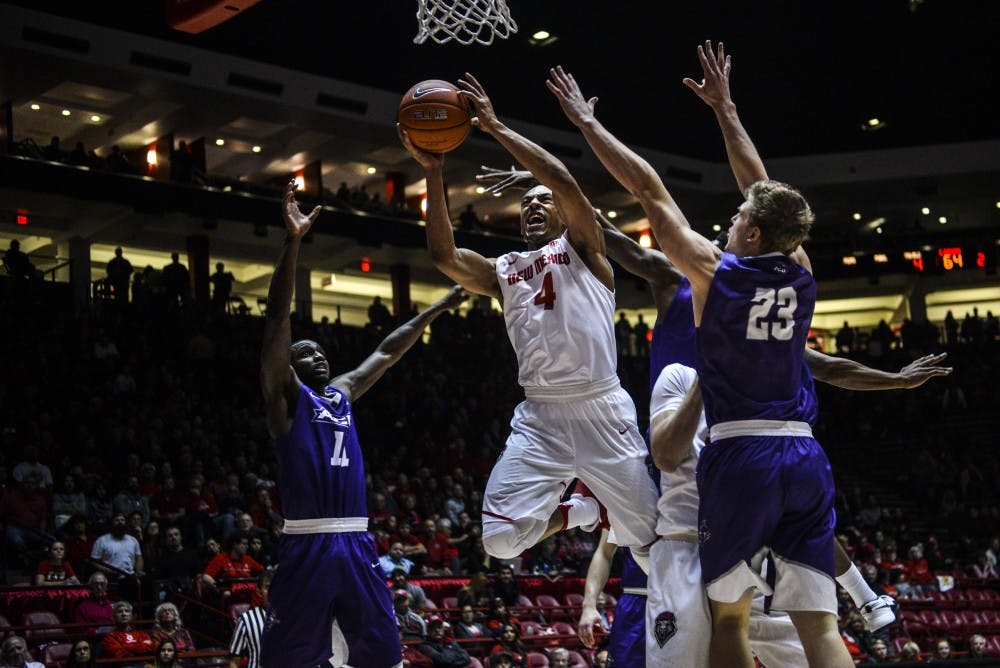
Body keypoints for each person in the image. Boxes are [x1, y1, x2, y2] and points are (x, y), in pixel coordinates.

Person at [547, 45, 896, 667]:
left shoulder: (714, 274)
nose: (731, 220)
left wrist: (588, 124)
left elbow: (649, 189)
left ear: (752, 234)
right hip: (804, 452)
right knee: (819, 625)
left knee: (730, 620)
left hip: (741, 454)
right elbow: (762, 188)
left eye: (738, 218)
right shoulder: (801, 270)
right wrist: (726, 110)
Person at [399, 73, 659, 576]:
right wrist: (434, 170)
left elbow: (563, 180)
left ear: (563, 214)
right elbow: (444, 254)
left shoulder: (585, 251)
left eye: (544, 201)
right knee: (499, 541)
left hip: (601, 408)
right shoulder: (505, 270)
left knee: (651, 543)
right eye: (526, 204)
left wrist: (494, 127)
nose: (535, 204)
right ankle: (583, 510)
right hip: (540, 418)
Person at [258, 180, 465, 668]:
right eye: (306, 351)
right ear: (289, 363)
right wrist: (293, 242)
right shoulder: (285, 398)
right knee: (287, 659)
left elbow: (388, 351)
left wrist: (438, 308)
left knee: (383, 655)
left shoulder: (343, 393)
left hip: (356, 537)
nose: (319, 355)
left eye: (323, 350)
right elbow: (274, 323)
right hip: (307, 539)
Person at [228, 568, 273, 668]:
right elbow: (234, 661)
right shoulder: (246, 619)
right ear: (259, 592)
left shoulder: (291, 619)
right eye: (267, 587)